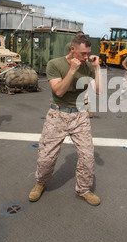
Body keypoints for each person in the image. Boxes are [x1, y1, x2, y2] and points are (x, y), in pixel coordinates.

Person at [29, 34, 103, 206]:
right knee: (46, 157)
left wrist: (97, 68)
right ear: (73, 50)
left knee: (87, 156)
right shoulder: (55, 64)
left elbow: (98, 91)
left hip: (79, 115)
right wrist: (72, 70)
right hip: (58, 114)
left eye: (88, 53)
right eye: (82, 54)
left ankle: (83, 189)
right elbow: (59, 92)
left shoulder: (88, 67)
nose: (86, 57)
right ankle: (40, 182)